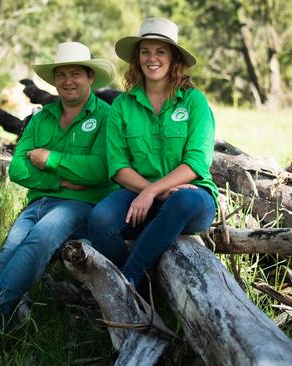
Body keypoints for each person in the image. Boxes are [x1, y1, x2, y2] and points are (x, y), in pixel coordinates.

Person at [0, 41, 115, 365]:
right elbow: (19, 168)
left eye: (76, 74)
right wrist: (60, 179)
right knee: (7, 259)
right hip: (39, 202)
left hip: (79, 205)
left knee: (38, 242)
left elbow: (101, 169)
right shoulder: (42, 118)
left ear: (90, 77)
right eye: (62, 74)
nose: (68, 80)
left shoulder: (107, 117)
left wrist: (50, 157)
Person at [88, 17, 218, 290]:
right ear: (137, 58)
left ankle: (127, 283)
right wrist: (151, 191)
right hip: (138, 193)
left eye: (160, 51)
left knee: (182, 201)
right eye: (145, 51)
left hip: (191, 198)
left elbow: (196, 162)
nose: (152, 58)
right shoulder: (122, 106)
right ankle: (148, 288)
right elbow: (119, 166)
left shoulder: (194, 101)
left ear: (173, 58)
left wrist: (150, 192)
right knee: (100, 220)